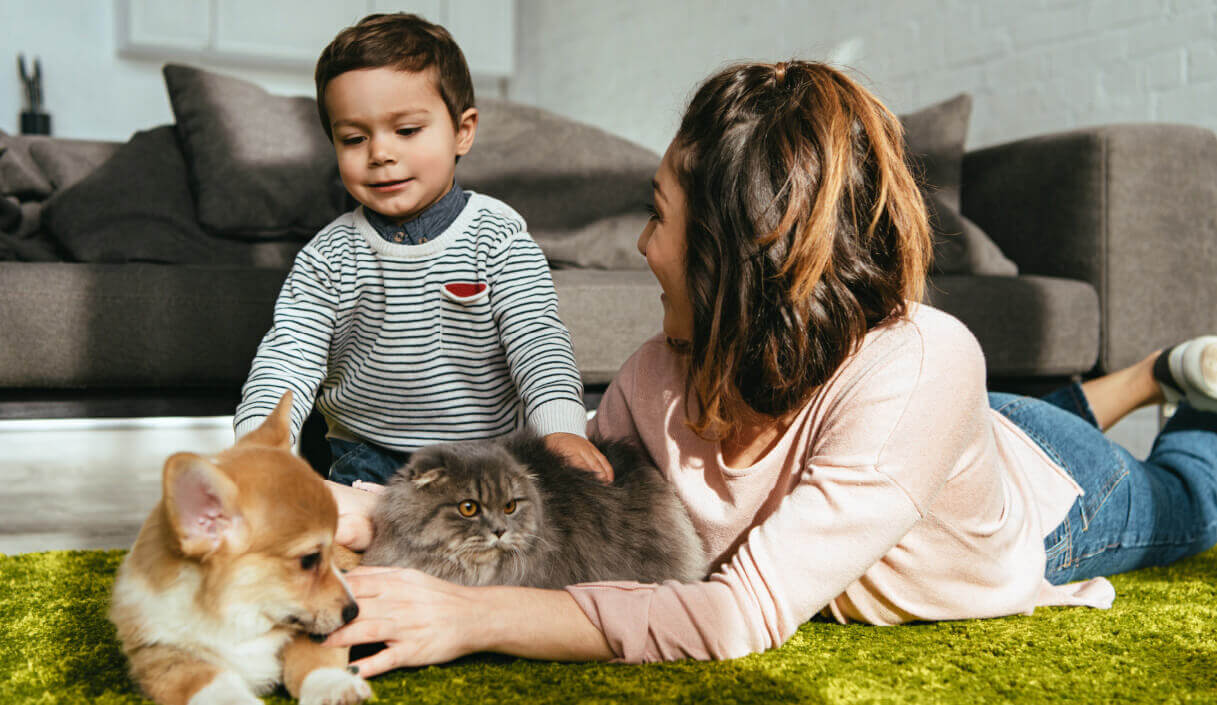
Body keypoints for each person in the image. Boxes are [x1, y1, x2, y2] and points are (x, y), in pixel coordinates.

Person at [322, 60, 1217, 673]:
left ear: (728, 255)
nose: (640, 246)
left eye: (658, 215)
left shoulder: (922, 363)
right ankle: (1147, 371)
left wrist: (472, 617)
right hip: (949, 442)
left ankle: (1187, 391)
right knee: (981, 425)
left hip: (1059, 500)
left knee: (1192, 492)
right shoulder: (652, 374)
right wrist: (366, 506)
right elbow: (570, 495)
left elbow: (736, 615)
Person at [234, 13, 611, 484]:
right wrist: (260, 444)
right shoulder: (327, 257)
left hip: (486, 456)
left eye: (407, 131)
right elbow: (287, 358)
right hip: (367, 452)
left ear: (463, 131)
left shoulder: (498, 239)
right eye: (354, 138)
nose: (380, 154)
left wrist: (562, 430)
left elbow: (538, 343)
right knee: (356, 542)